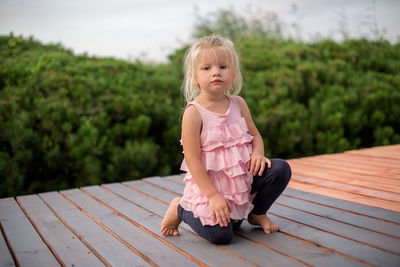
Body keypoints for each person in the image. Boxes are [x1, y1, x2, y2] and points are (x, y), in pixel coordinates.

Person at [161, 35, 291, 245]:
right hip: (210, 188)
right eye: (206, 68)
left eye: (223, 66)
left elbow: (255, 135)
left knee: (280, 169)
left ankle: (256, 213)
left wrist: (257, 153)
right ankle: (181, 208)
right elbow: (193, 162)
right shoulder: (194, 113)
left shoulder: (238, 104)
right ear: (194, 76)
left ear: (234, 73)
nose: (216, 72)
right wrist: (213, 196)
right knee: (221, 236)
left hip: (241, 180)